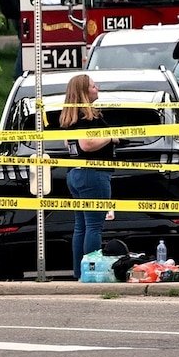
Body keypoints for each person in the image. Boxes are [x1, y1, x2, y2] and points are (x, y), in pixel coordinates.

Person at [61, 74, 116, 278]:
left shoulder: (71, 116)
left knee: (81, 226)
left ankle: (79, 272)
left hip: (75, 173)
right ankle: (91, 272)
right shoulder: (88, 117)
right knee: (94, 226)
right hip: (93, 174)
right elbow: (86, 144)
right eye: (93, 86)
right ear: (85, 92)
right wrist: (111, 136)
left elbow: (69, 143)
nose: (97, 88)